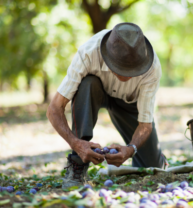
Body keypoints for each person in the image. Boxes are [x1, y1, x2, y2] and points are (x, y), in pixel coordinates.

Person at [46, 22, 168, 189]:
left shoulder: (151, 67)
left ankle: (158, 157)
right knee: (87, 84)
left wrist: (130, 149)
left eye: (132, 70)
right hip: (95, 92)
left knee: (152, 167)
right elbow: (54, 109)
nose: (126, 74)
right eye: (121, 68)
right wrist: (76, 143)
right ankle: (77, 165)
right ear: (108, 57)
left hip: (129, 104)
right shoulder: (88, 53)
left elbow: (145, 124)